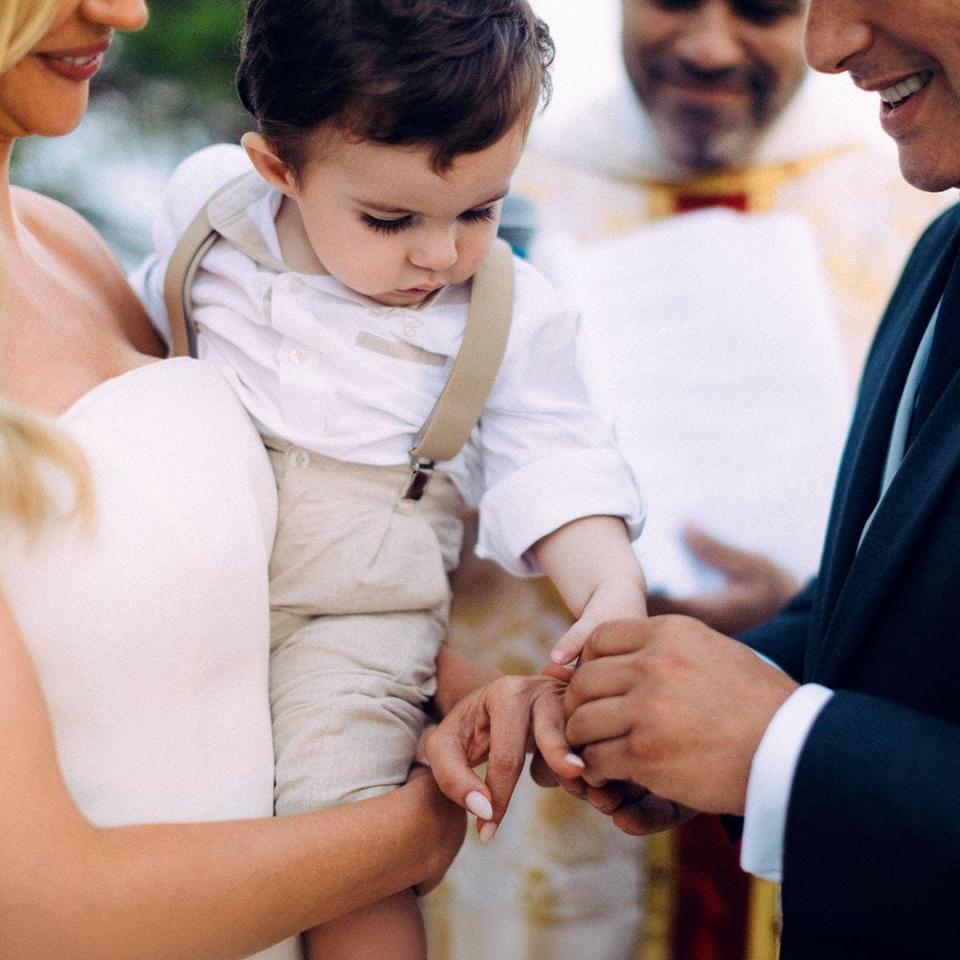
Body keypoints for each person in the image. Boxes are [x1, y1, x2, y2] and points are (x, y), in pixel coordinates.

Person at [0, 2, 576, 957]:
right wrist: (412, 826)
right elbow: (30, 906)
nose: (123, 10)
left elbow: (209, 581)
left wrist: (431, 693)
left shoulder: (65, 243)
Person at [430, 1, 951, 958]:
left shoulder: (899, 199)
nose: (710, 48)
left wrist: (780, 644)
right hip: (555, 799)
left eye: (761, 9)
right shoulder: (468, 194)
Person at [131, 2, 646, 958]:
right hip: (186, 561)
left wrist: (609, 591)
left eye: (481, 211)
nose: (439, 254)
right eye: (390, 218)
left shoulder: (510, 311)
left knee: (345, 826)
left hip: (353, 613)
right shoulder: (207, 207)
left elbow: (558, 456)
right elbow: (139, 325)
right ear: (277, 169)